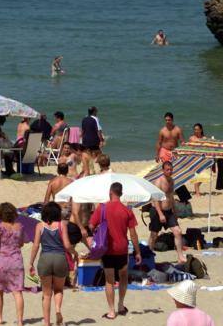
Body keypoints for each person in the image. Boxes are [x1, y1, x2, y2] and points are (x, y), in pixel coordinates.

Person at [89, 183, 141, 320]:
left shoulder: (103, 208)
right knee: (123, 277)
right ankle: (121, 305)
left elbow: (91, 225)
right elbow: (133, 234)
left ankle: (111, 312)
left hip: (107, 250)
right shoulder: (127, 210)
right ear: (121, 193)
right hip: (122, 250)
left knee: (109, 281)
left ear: (111, 192)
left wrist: (96, 231)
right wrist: (138, 252)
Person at [29, 202, 76, 326]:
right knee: (59, 289)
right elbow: (67, 245)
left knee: (46, 293)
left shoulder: (39, 226)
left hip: (45, 259)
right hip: (60, 259)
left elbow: (35, 245)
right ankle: (58, 310)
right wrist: (75, 253)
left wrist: (31, 262)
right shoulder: (62, 225)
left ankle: (46, 323)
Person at [149, 160, 186, 263]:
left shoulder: (172, 180)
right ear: (163, 170)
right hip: (157, 211)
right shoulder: (159, 182)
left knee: (178, 232)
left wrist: (175, 211)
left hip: (169, 211)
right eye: (167, 170)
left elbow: (171, 197)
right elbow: (155, 200)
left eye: (171, 169)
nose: (169, 171)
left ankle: (180, 256)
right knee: (154, 235)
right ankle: (148, 256)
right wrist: (160, 214)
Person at [80, 106, 104, 175]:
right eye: (96, 111)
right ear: (94, 112)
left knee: (88, 156)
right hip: (93, 140)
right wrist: (101, 140)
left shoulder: (84, 119)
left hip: (85, 140)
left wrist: (81, 140)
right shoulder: (95, 119)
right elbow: (98, 131)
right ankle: (102, 169)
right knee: (100, 155)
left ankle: (87, 171)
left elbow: (82, 131)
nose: (97, 113)